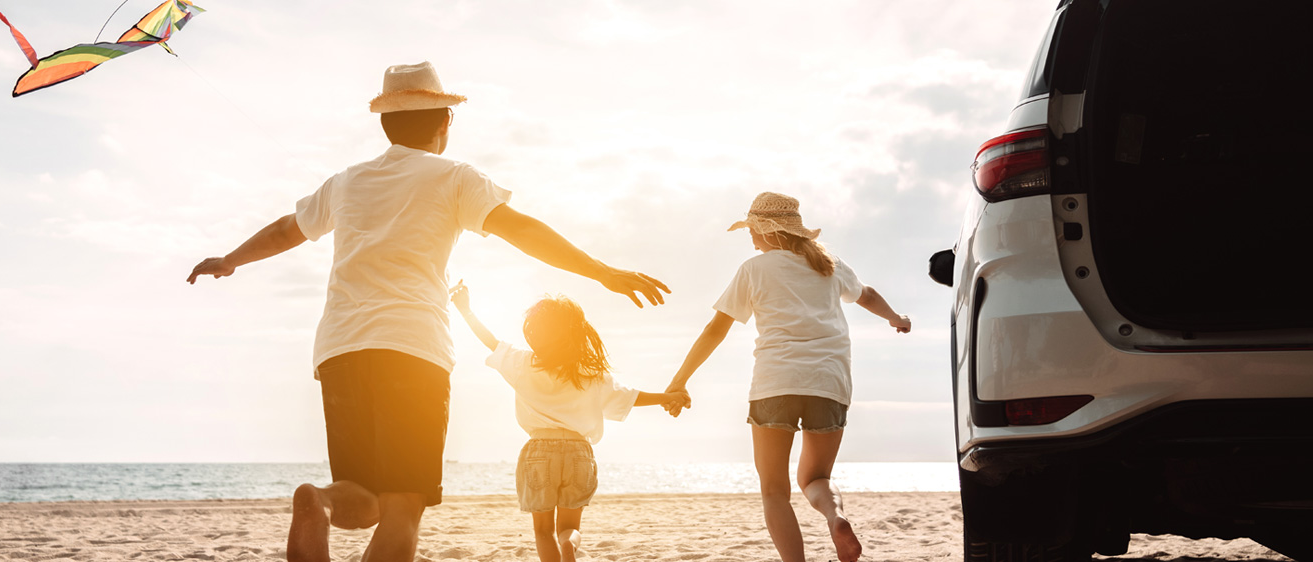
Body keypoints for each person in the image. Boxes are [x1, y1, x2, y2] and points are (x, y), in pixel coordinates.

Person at [184, 62, 669, 562]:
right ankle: (323, 502)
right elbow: (522, 230)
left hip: (340, 350)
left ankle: (321, 501)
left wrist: (231, 260)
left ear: (385, 124)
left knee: (361, 496)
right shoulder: (455, 177)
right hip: (413, 351)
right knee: (403, 507)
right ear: (445, 124)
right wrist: (602, 272)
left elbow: (289, 228)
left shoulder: (347, 181)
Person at [662, 192, 910, 562]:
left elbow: (716, 330)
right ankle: (835, 515)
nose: (749, 237)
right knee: (815, 479)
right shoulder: (829, 263)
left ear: (768, 230)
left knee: (774, 491)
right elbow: (867, 295)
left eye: (752, 229)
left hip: (775, 383)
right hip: (829, 383)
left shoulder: (754, 269)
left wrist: (679, 379)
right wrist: (895, 318)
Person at [449, 281, 689, 562]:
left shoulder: (522, 363)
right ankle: (569, 545)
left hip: (538, 451)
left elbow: (488, 339)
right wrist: (667, 397)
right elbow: (632, 397)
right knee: (570, 527)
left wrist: (465, 309)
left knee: (542, 531)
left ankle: (559, 550)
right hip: (578, 452)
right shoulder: (591, 373)